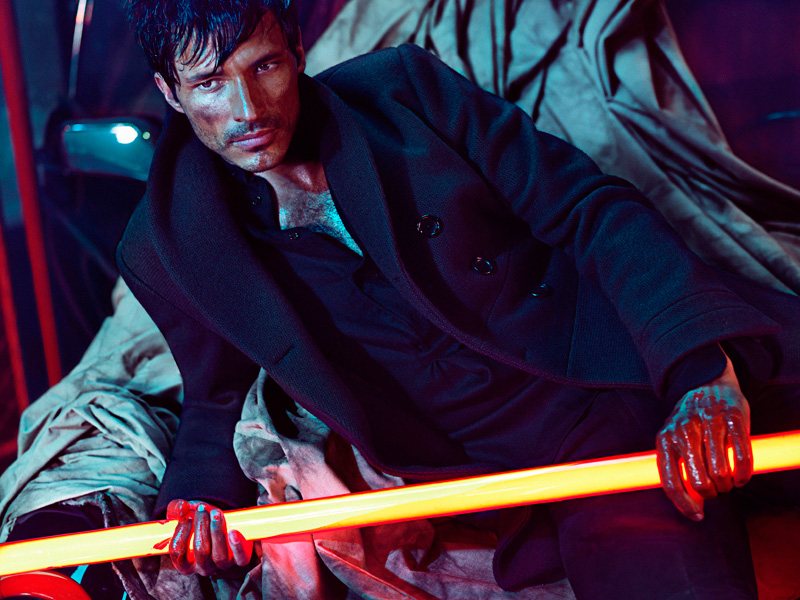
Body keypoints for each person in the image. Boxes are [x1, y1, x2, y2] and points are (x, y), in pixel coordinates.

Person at [118, 0, 800, 597]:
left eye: (264, 66)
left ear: (297, 51)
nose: (247, 110)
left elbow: (589, 210)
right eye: (209, 83)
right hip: (531, 460)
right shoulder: (166, 248)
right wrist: (199, 498)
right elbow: (216, 393)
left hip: (620, 347)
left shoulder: (403, 91)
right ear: (170, 92)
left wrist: (700, 371)